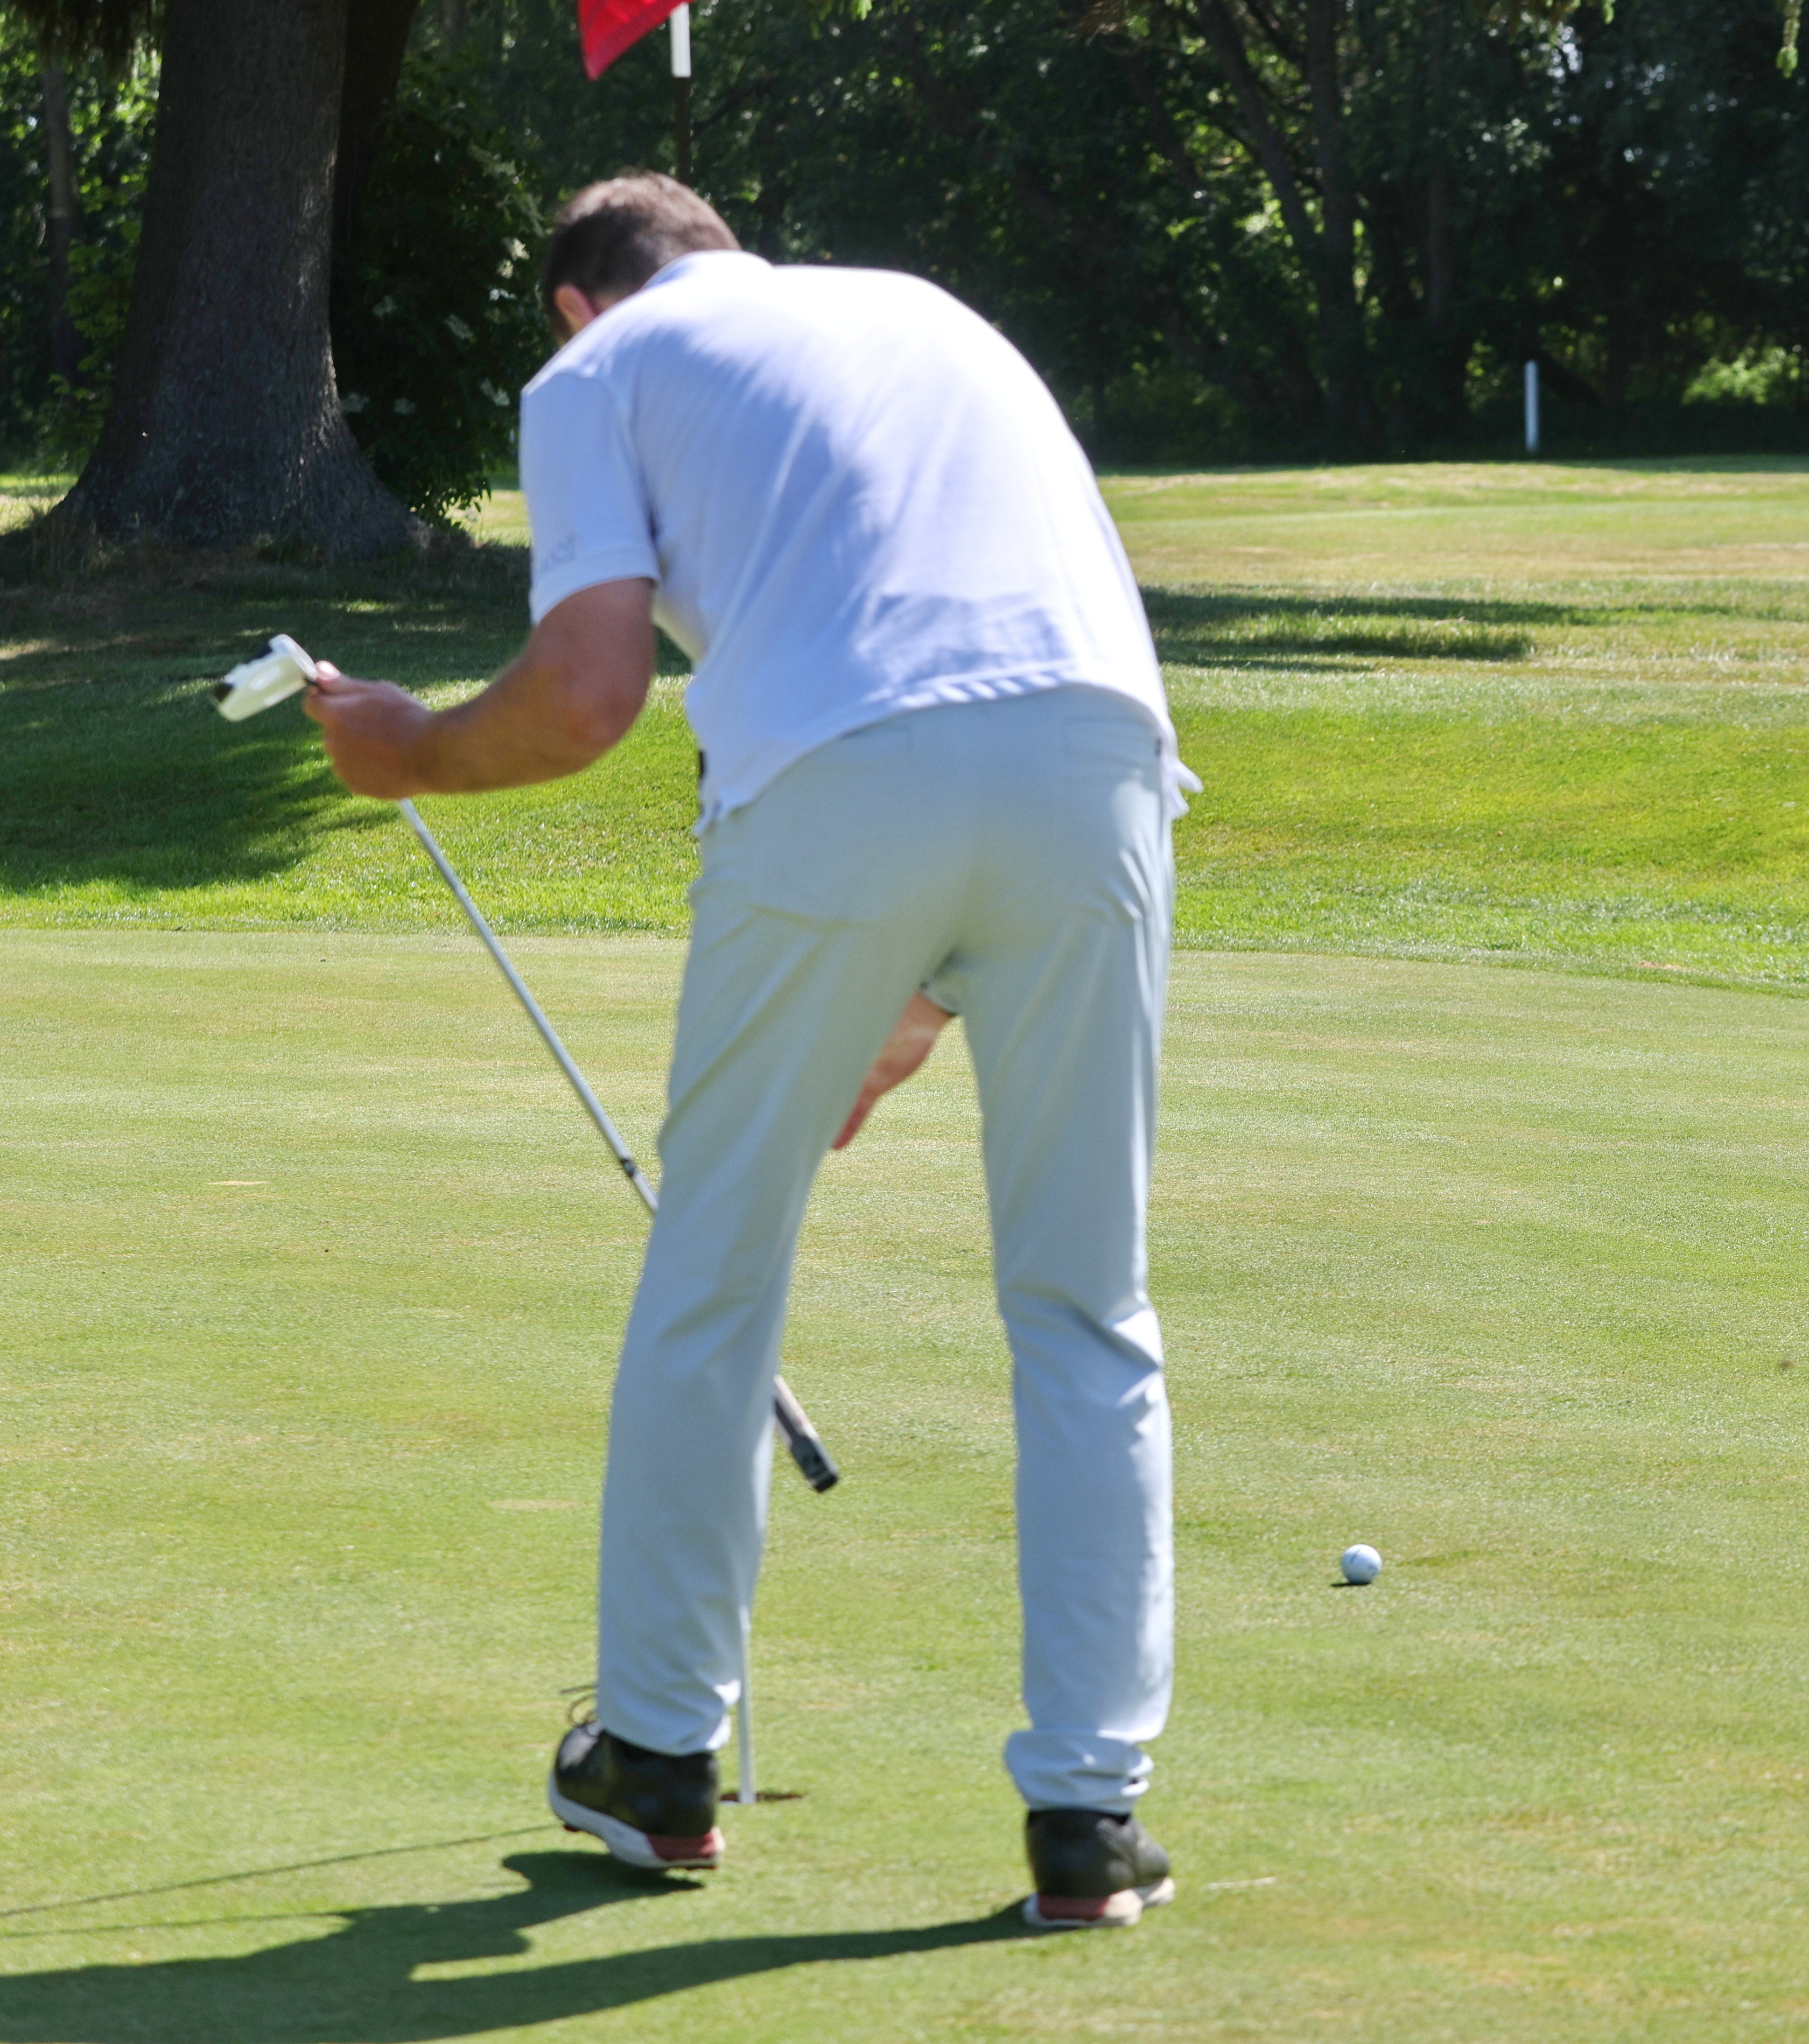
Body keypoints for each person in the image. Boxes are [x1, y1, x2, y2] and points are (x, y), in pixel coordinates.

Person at [303, 174, 1192, 1931]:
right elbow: (999, 679)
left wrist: (404, 746)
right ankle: (1090, 1823)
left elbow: (585, 696)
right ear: (723, 249)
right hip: (1108, 768)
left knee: (717, 1274)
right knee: (1089, 1305)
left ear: (577, 301)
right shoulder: (925, 303)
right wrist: (924, 994)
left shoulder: (597, 371)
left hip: (837, 779)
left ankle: (656, 1765)